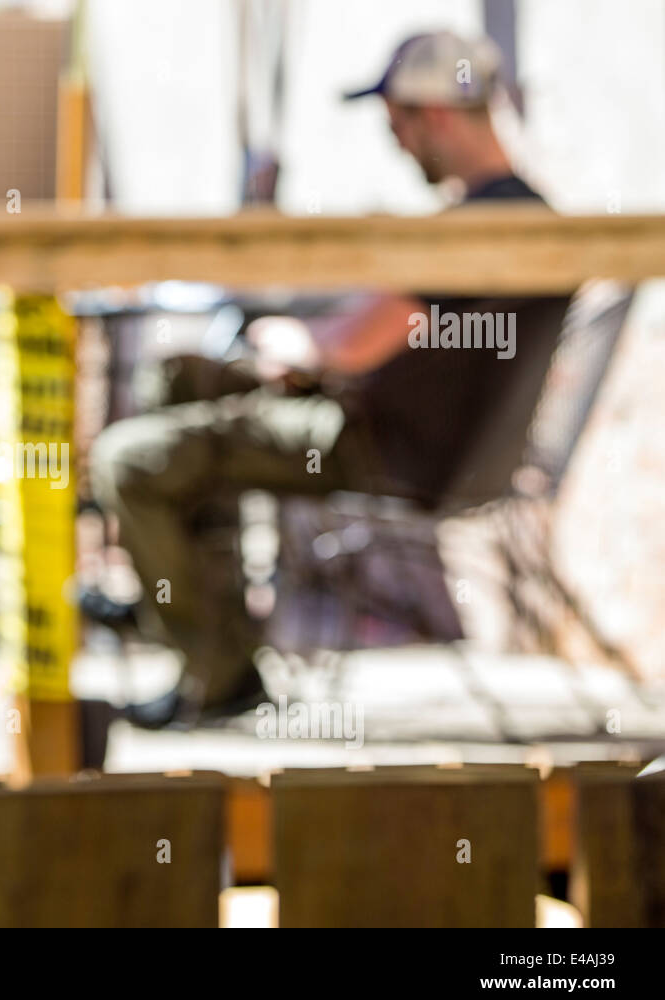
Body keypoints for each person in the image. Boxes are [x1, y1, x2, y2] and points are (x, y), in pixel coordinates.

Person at [89, 31, 573, 729]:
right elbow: (400, 331)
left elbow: (352, 345)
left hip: (383, 449)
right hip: (407, 437)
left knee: (129, 459)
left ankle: (209, 656)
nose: (396, 141)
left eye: (397, 122)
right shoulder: (526, 213)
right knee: (178, 378)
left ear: (433, 114)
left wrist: (292, 342)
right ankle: (177, 604)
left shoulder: (483, 226)